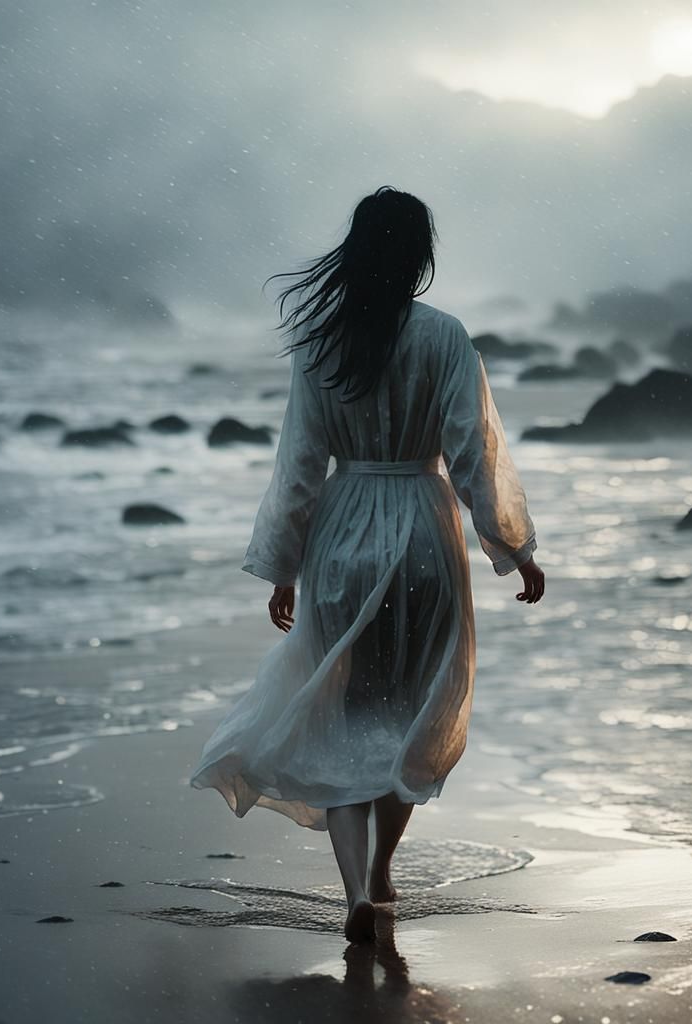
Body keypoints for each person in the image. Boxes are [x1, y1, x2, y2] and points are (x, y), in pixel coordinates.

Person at [189, 185, 544, 944]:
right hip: (423, 528)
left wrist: (285, 565)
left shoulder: (320, 345)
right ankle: (383, 870)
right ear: (419, 257)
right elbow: (471, 453)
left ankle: (354, 890)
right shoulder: (445, 337)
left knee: (345, 715)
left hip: (344, 532)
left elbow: (299, 467)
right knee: (410, 709)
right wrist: (512, 548)